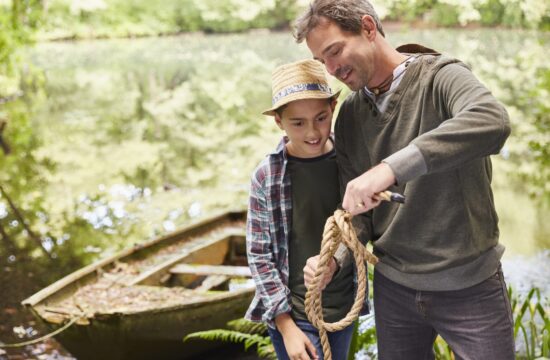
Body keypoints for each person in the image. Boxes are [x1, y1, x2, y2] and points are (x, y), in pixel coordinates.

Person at [294, 1, 515, 359]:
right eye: (323, 61)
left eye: (335, 51)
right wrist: (333, 259)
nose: (332, 69)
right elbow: (357, 216)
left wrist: (390, 168)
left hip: (470, 285)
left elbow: (492, 121)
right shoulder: (349, 115)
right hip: (394, 288)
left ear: (368, 28)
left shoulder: (441, 76)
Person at [245, 59, 361, 360]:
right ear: (279, 122)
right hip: (294, 313)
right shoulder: (267, 176)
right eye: (298, 123)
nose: (312, 131)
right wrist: (286, 327)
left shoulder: (350, 164)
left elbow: (360, 228)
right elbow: (259, 254)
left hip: (342, 307)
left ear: (333, 107)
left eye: (321, 118)